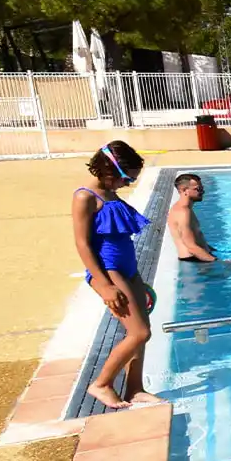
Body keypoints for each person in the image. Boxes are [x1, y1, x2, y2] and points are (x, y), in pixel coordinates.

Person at [70, 141, 161, 410]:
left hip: (128, 269)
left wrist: (136, 280)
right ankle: (101, 384)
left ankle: (135, 389)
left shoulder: (110, 194)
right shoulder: (85, 196)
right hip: (109, 271)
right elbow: (82, 244)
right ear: (111, 170)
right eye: (127, 178)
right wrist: (105, 285)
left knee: (143, 331)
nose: (128, 184)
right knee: (139, 333)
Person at [167, 173, 218, 263]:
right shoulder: (183, 212)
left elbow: (197, 239)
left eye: (202, 188)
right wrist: (217, 262)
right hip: (194, 261)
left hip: (199, 258)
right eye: (198, 189)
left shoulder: (184, 209)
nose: (203, 191)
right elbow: (191, 247)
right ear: (185, 190)